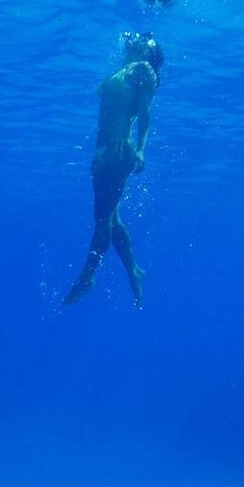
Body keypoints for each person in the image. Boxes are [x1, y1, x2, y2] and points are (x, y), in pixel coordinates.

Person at [63, 32, 163, 309]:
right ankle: (133, 269)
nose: (137, 40)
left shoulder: (144, 71)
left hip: (119, 151)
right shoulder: (125, 69)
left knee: (102, 219)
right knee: (110, 218)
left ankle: (87, 275)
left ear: (149, 52)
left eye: (145, 41)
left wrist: (141, 149)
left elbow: (145, 114)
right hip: (102, 154)